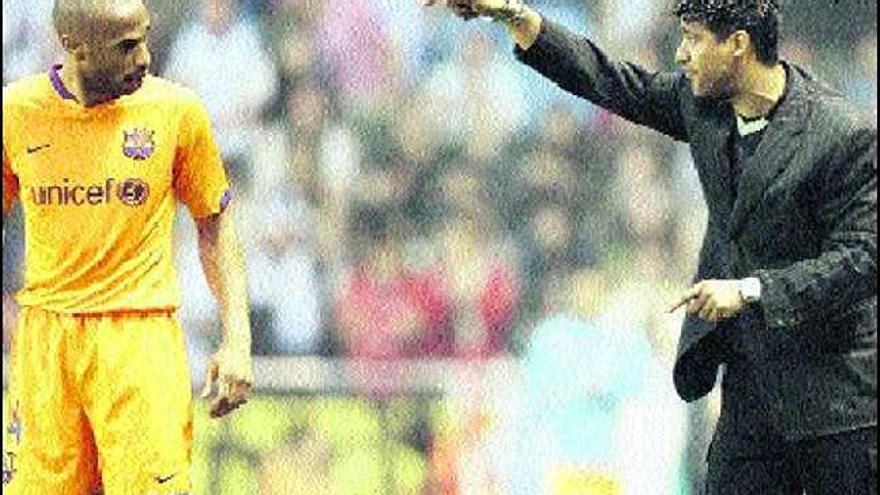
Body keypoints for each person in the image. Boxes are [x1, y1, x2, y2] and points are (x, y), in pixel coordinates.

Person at [427, 0, 877, 493]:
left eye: (693, 38)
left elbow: (861, 260)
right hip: (751, 394)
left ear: (738, 45)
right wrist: (514, 15)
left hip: (835, 402)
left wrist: (751, 291)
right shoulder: (704, 106)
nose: (681, 55)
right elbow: (610, 80)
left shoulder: (843, 135)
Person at [2, 0, 253, 493]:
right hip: (46, 346)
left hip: (140, 342)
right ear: (74, 46)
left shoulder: (176, 112)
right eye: (125, 46)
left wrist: (237, 338)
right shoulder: (16, 114)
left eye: (144, 38)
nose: (143, 57)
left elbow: (215, 226)